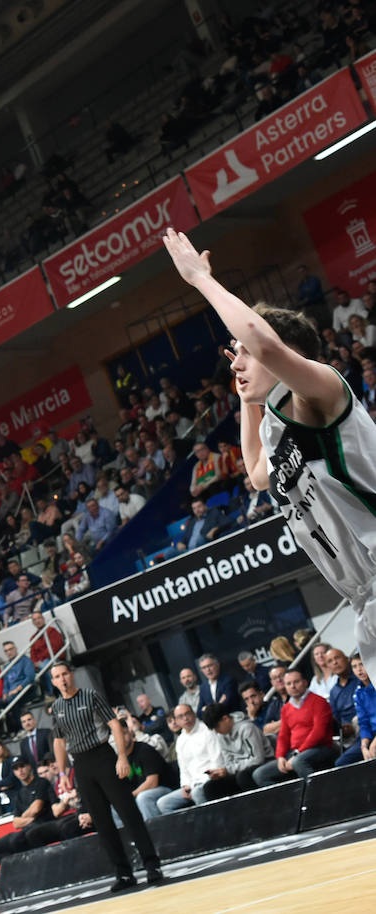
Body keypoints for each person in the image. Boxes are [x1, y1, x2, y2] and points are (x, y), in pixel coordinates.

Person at [165, 227, 376, 668]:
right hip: (363, 599)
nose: (236, 363)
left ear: (286, 353)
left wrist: (200, 279)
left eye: (242, 352)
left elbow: (264, 342)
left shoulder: (322, 391)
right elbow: (258, 474)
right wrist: (247, 400)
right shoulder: (279, 422)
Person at [49, 662, 164, 891]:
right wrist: (62, 773)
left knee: (128, 812)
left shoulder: (91, 695)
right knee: (102, 822)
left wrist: (121, 756)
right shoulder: (57, 707)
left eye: (65, 674)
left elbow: (114, 724)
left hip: (103, 756)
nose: (62, 679)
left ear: (72, 675)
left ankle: (152, 865)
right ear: (53, 682)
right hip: (80, 764)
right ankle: (123, 874)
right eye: (57, 676)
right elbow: (59, 741)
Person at [251, 670, 340, 786]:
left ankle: (318, 794)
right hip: (296, 753)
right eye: (288, 684)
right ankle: (287, 803)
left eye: (296, 682)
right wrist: (281, 757)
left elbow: (319, 733)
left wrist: (298, 753)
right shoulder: (286, 708)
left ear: (305, 683)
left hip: (321, 747)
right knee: (259, 774)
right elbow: (283, 736)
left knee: (299, 762)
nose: (292, 686)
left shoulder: (319, 702)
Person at [152, 705, 223, 815]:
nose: (185, 718)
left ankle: (212, 826)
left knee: (196, 793)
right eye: (180, 716)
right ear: (176, 721)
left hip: (209, 779)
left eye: (188, 714)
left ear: (194, 714)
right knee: (164, 803)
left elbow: (217, 760)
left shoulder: (207, 730)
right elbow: (183, 768)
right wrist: (185, 785)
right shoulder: (181, 740)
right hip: (191, 784)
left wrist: (196, 784)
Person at [0, 757, 56, 862]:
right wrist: (30, 817)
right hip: (29, 828)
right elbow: (16, 823)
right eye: (16, 769)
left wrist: (24, 817)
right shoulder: (19, 793)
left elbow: (36, 808)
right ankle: (14, 872)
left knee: (19, 840)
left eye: (22, 766)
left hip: (43, 825)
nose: (20, 771)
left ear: (29, 766)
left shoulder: (41, 782)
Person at [197, 704, 267, 800]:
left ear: (225, 719)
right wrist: (221, 772)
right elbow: (228, 761)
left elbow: (257, 759)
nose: (217, 731)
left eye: (217, 727)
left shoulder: (247, 728)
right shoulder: (221, 736)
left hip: (261, 763)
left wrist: (229, 770)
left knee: (243, 777)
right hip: (238, 771)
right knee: (210, 787)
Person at [337, 653, 374, 766]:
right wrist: (364, 745)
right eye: (354, 666)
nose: (359, 670)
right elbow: (363, 722)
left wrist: (374, 744)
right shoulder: (358, 693)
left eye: (362, 664)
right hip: (371, 735)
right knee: (341, 763)